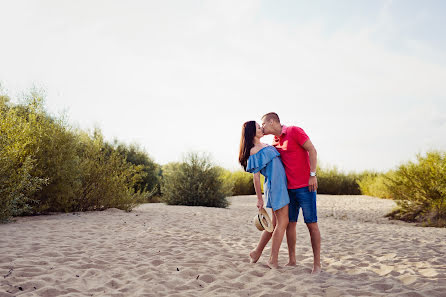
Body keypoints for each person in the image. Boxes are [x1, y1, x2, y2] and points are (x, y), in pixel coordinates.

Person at [262, 112, 322, 274]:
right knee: (290, 224)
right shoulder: (274, 141)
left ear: (272, 121)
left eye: (264, 125)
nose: (262, 128)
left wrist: (312, 175)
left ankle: (317, 265)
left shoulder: (294, 131)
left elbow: (312, 150)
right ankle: (292, 260)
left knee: (311, 224)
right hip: (289, 190)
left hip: (305, 187)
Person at [238, 121, 289, 269]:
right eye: (259, 127)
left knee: (273, 224)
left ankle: (256, 252)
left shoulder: (266, 145)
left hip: (281, 186)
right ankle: (273, 260)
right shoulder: (254, 151)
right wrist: (259, 199)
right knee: (282, 222)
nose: (262, 128)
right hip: (274, 188)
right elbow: (256, 177)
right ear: (252, 133)